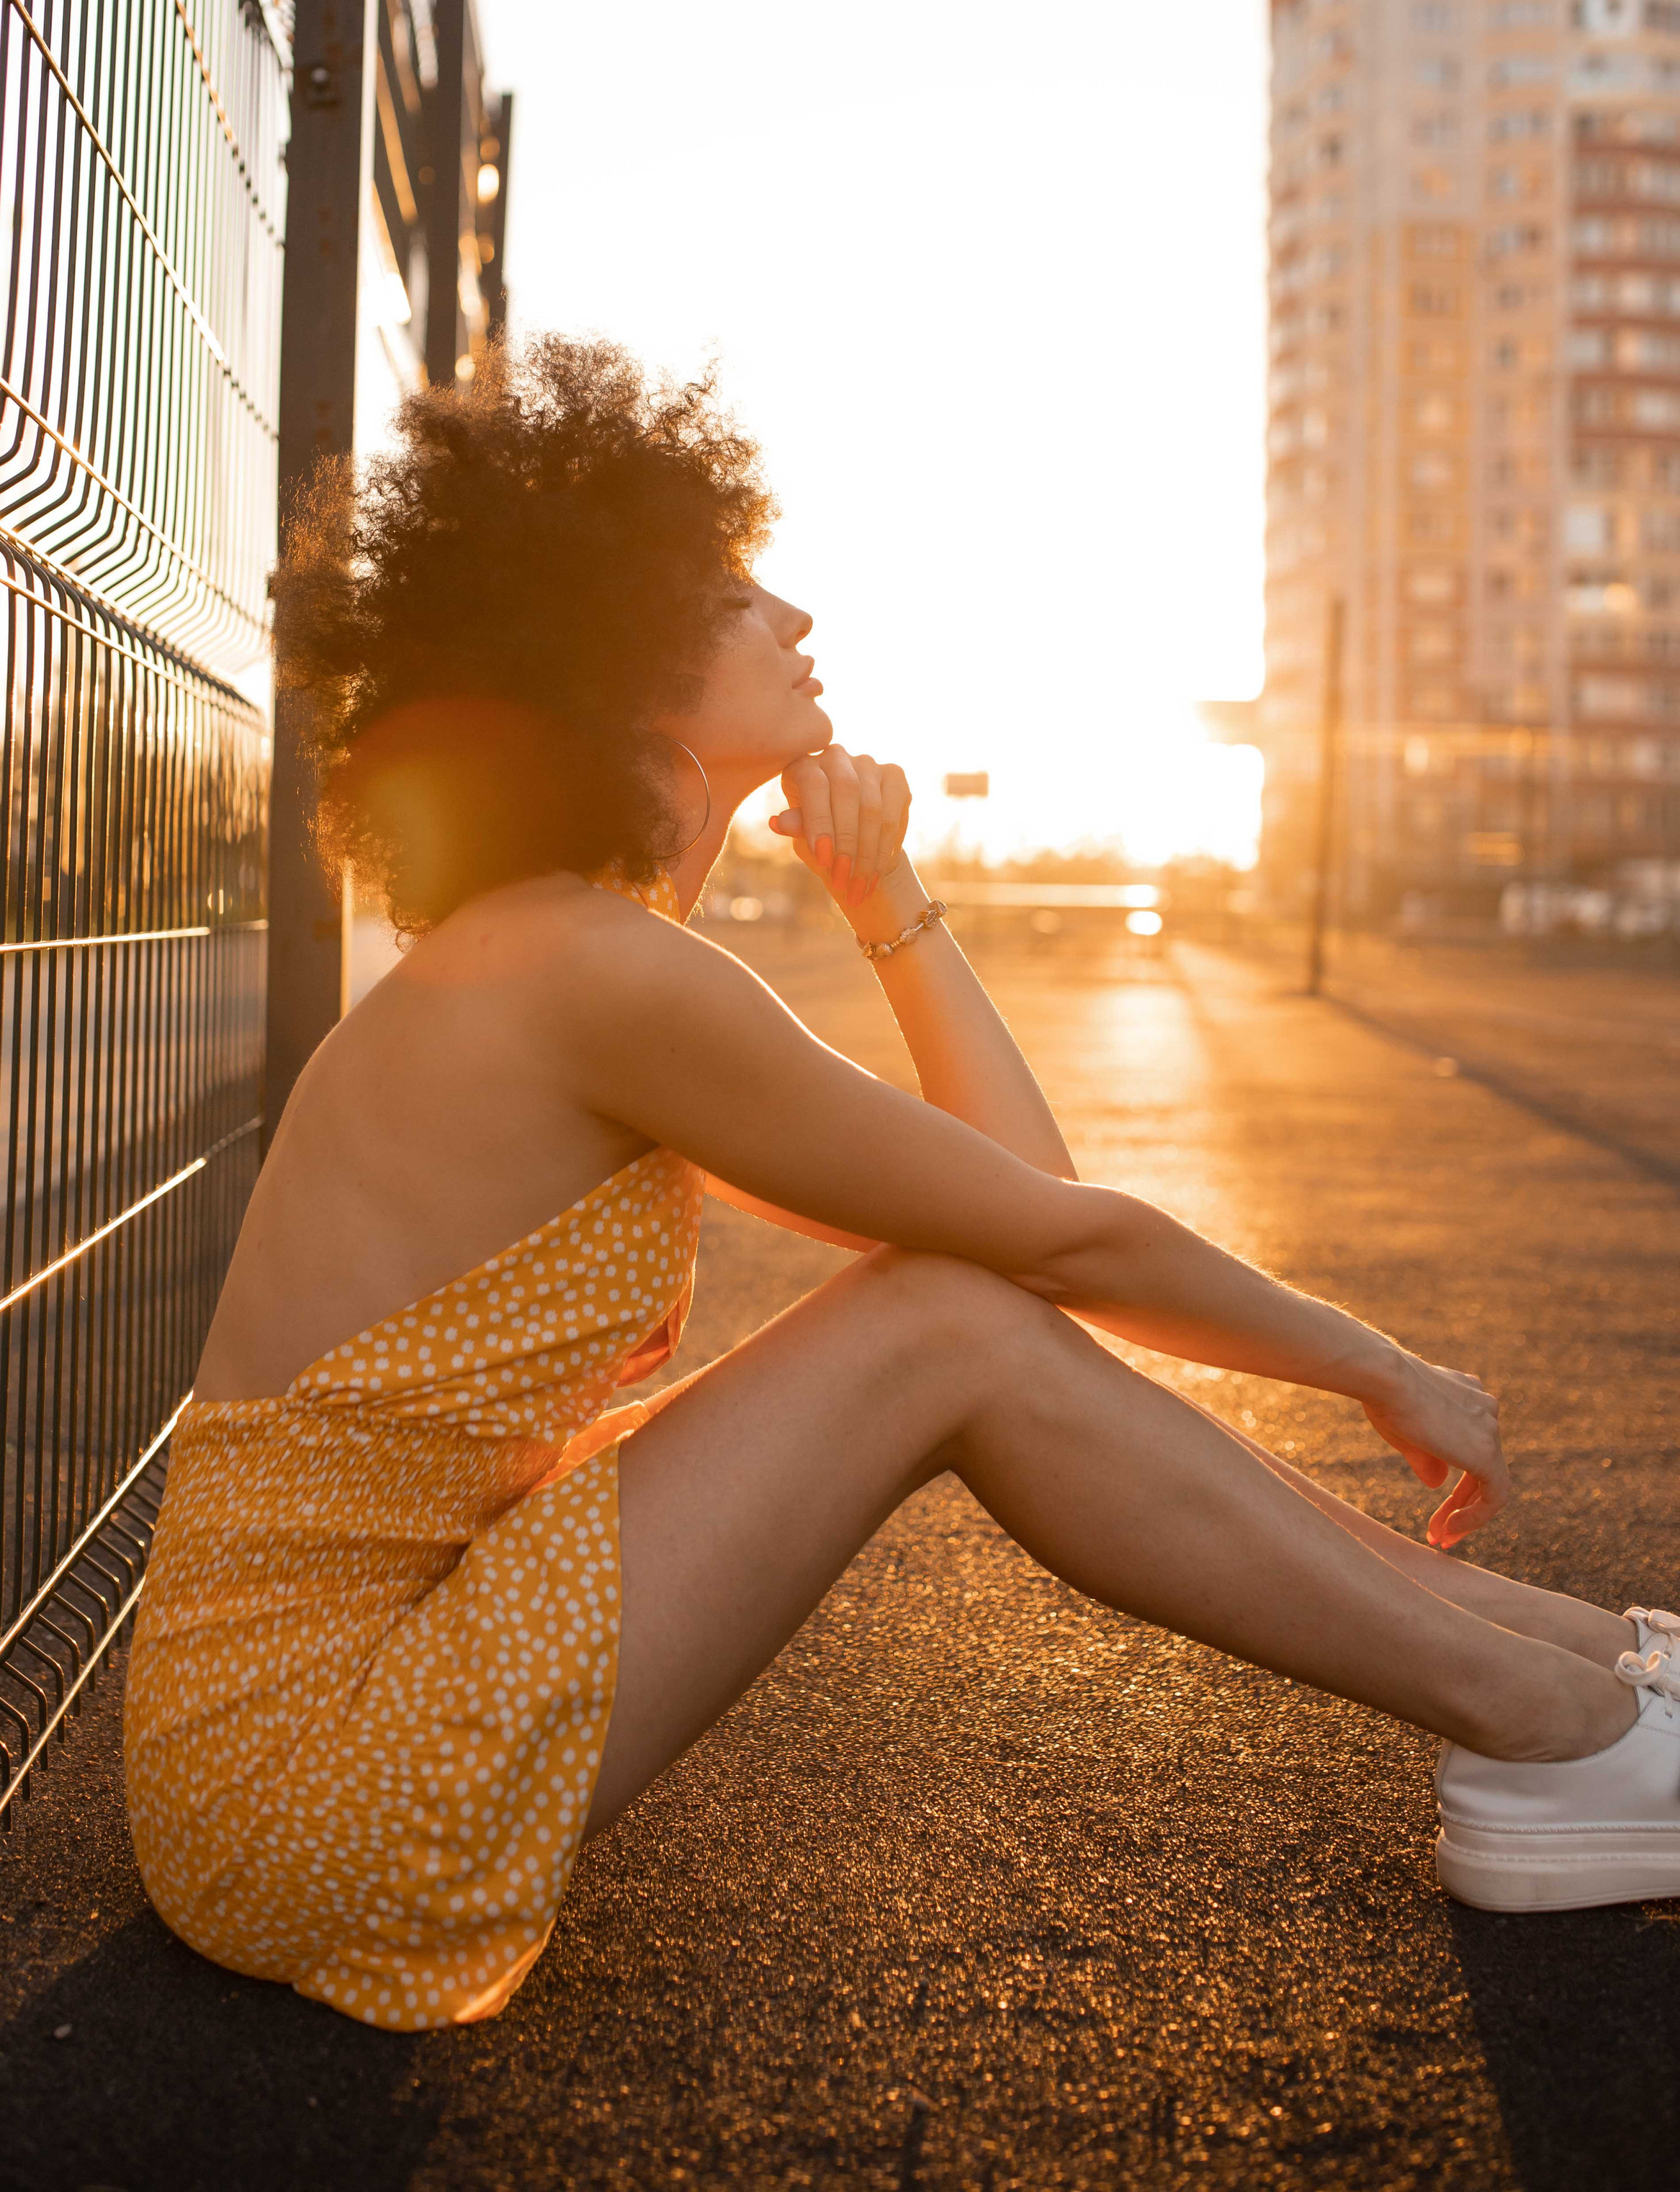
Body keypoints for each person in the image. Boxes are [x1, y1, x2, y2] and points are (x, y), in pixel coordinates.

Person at [124, 341, 1679, 2033]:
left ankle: (1592, 1678)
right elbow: (1049, 1239)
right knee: (932, 1322)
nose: (790, 614)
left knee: (946, 1309)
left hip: (323, 1729)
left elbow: (1012, 1210)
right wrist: (1371, 1362)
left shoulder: (584, 954)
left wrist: (887, 894)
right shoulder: (585, 969)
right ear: (605, 652)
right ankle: (1557, 1732)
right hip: (302, 1779)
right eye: (728, 591)